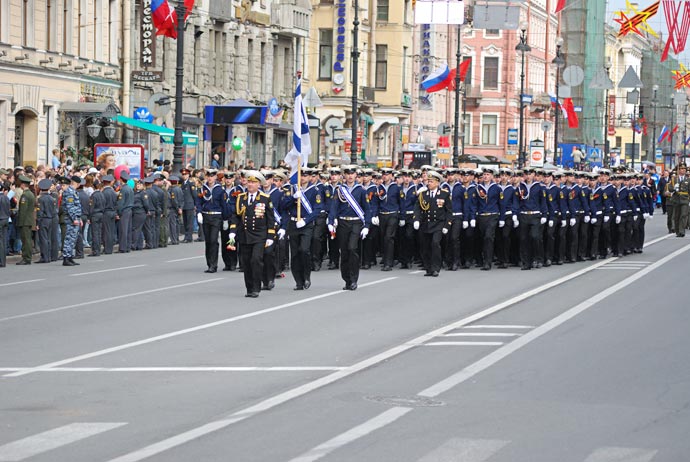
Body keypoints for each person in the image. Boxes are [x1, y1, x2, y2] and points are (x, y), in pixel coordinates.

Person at [229, 171, 277, 298]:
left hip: (259, 235)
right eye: (249, 182)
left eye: (253, 182)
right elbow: (236, 216)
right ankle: (249, 288)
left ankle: (256, 287)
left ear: (259, 185)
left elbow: (270, 219)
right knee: (246, 262)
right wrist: (232, 232)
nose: (250, 184)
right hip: (244, 235)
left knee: (256, 260)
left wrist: (270, 236)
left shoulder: (264, 199)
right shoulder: (241, 198)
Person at [328, 165, 371, 290]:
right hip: (342, 223)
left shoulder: (361, 190)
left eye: (352, 174)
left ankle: (353, 279)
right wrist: (331, 221)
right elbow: (334, 207)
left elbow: (367, 210)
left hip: (356, 223)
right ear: (344, 176)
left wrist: (367, 226)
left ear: (355, 175)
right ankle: (346, 279)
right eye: (348, 174)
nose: (350, 176)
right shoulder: (339, 190)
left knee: (352, 248)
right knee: (344, 252)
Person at [281, 168, 322, 290]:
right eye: (301, 175)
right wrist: (293, 197)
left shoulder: (315, 191)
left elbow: (317, 209)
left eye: (305, 176)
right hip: (293, 223)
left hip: (306, 224)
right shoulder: (292, 189)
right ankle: (298, 281)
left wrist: (305, 220)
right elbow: (283, 206)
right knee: (294, 254)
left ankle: (306, 276)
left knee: (304, 250)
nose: (303, 178)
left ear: (310, 177)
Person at [413, 170, 452, 276]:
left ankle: (435, 268)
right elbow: (417, 208)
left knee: (435, 244)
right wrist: (416, 219)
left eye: (431, 181)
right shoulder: (422, 194)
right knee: (425, 247)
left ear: (437, 183)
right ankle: (428, 268)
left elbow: (449, 211)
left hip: (438, 224)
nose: (428, 183)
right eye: (428, 181)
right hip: (425, 224)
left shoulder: (444, 194)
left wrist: (447, 225)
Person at [196, 169, 228, 273]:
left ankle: (213, 265)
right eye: (208, 176)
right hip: (206, 216)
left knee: (214, 240)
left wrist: (225, 219)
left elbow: (223, 205)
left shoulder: (220, 190)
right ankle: (209, 263)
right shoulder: (202, 189)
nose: (210, 178)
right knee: (208, 241)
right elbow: (199, 202)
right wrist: (199, 212)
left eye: (212, 176)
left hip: (216, 217)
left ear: (215, 177)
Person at [15, 175, 35, 265]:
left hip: (25, 221)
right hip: (29, 220)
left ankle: (26, 258)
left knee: (26, 240)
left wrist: (20, 222)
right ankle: (28, 257)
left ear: (23, 184)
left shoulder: (25, 195)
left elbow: (23, 210)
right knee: (28, 240)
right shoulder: (30, 194)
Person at [36, 178, 57, 263]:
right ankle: (48, 256)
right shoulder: (52, 198)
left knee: (43, 239)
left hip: (44, 220)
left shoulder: (41, 199)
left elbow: (40, 212)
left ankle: (44, 256)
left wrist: (38, 222)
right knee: (48, 238)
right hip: (51, 219)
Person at [180, 168, 197, 243]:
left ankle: (189, 237)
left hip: (190, 205)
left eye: (185, 174)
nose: (184, 176)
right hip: (184, 205)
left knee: (189, 222)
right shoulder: (183, 183)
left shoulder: (191, 183)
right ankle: (186, 236)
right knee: (185, 222)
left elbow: (195, 195)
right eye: (183, 174)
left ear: (188, 175)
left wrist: (195, 205)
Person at [0, 181, 12, 267]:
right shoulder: (6, 198)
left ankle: (1, 261)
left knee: (1, 242)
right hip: (6, 219)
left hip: (0, 219)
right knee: (3, 240)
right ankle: (3, 261)